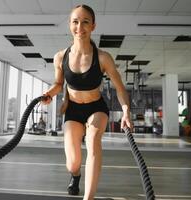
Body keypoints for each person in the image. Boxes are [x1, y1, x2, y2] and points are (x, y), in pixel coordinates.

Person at [42, 4, 133, 200]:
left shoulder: (103, 58)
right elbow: (59, 84)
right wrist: (49, 93)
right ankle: (75, 176)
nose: (80, 27)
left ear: (93, 26)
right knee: (72, 163)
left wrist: (126, 111)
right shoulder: (60, 57)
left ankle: (88, 198)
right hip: (73, 110)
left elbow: (120, 89)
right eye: (75, 22)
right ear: (70, 25)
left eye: (85, 22)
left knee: (93, 142)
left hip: (96, 108)